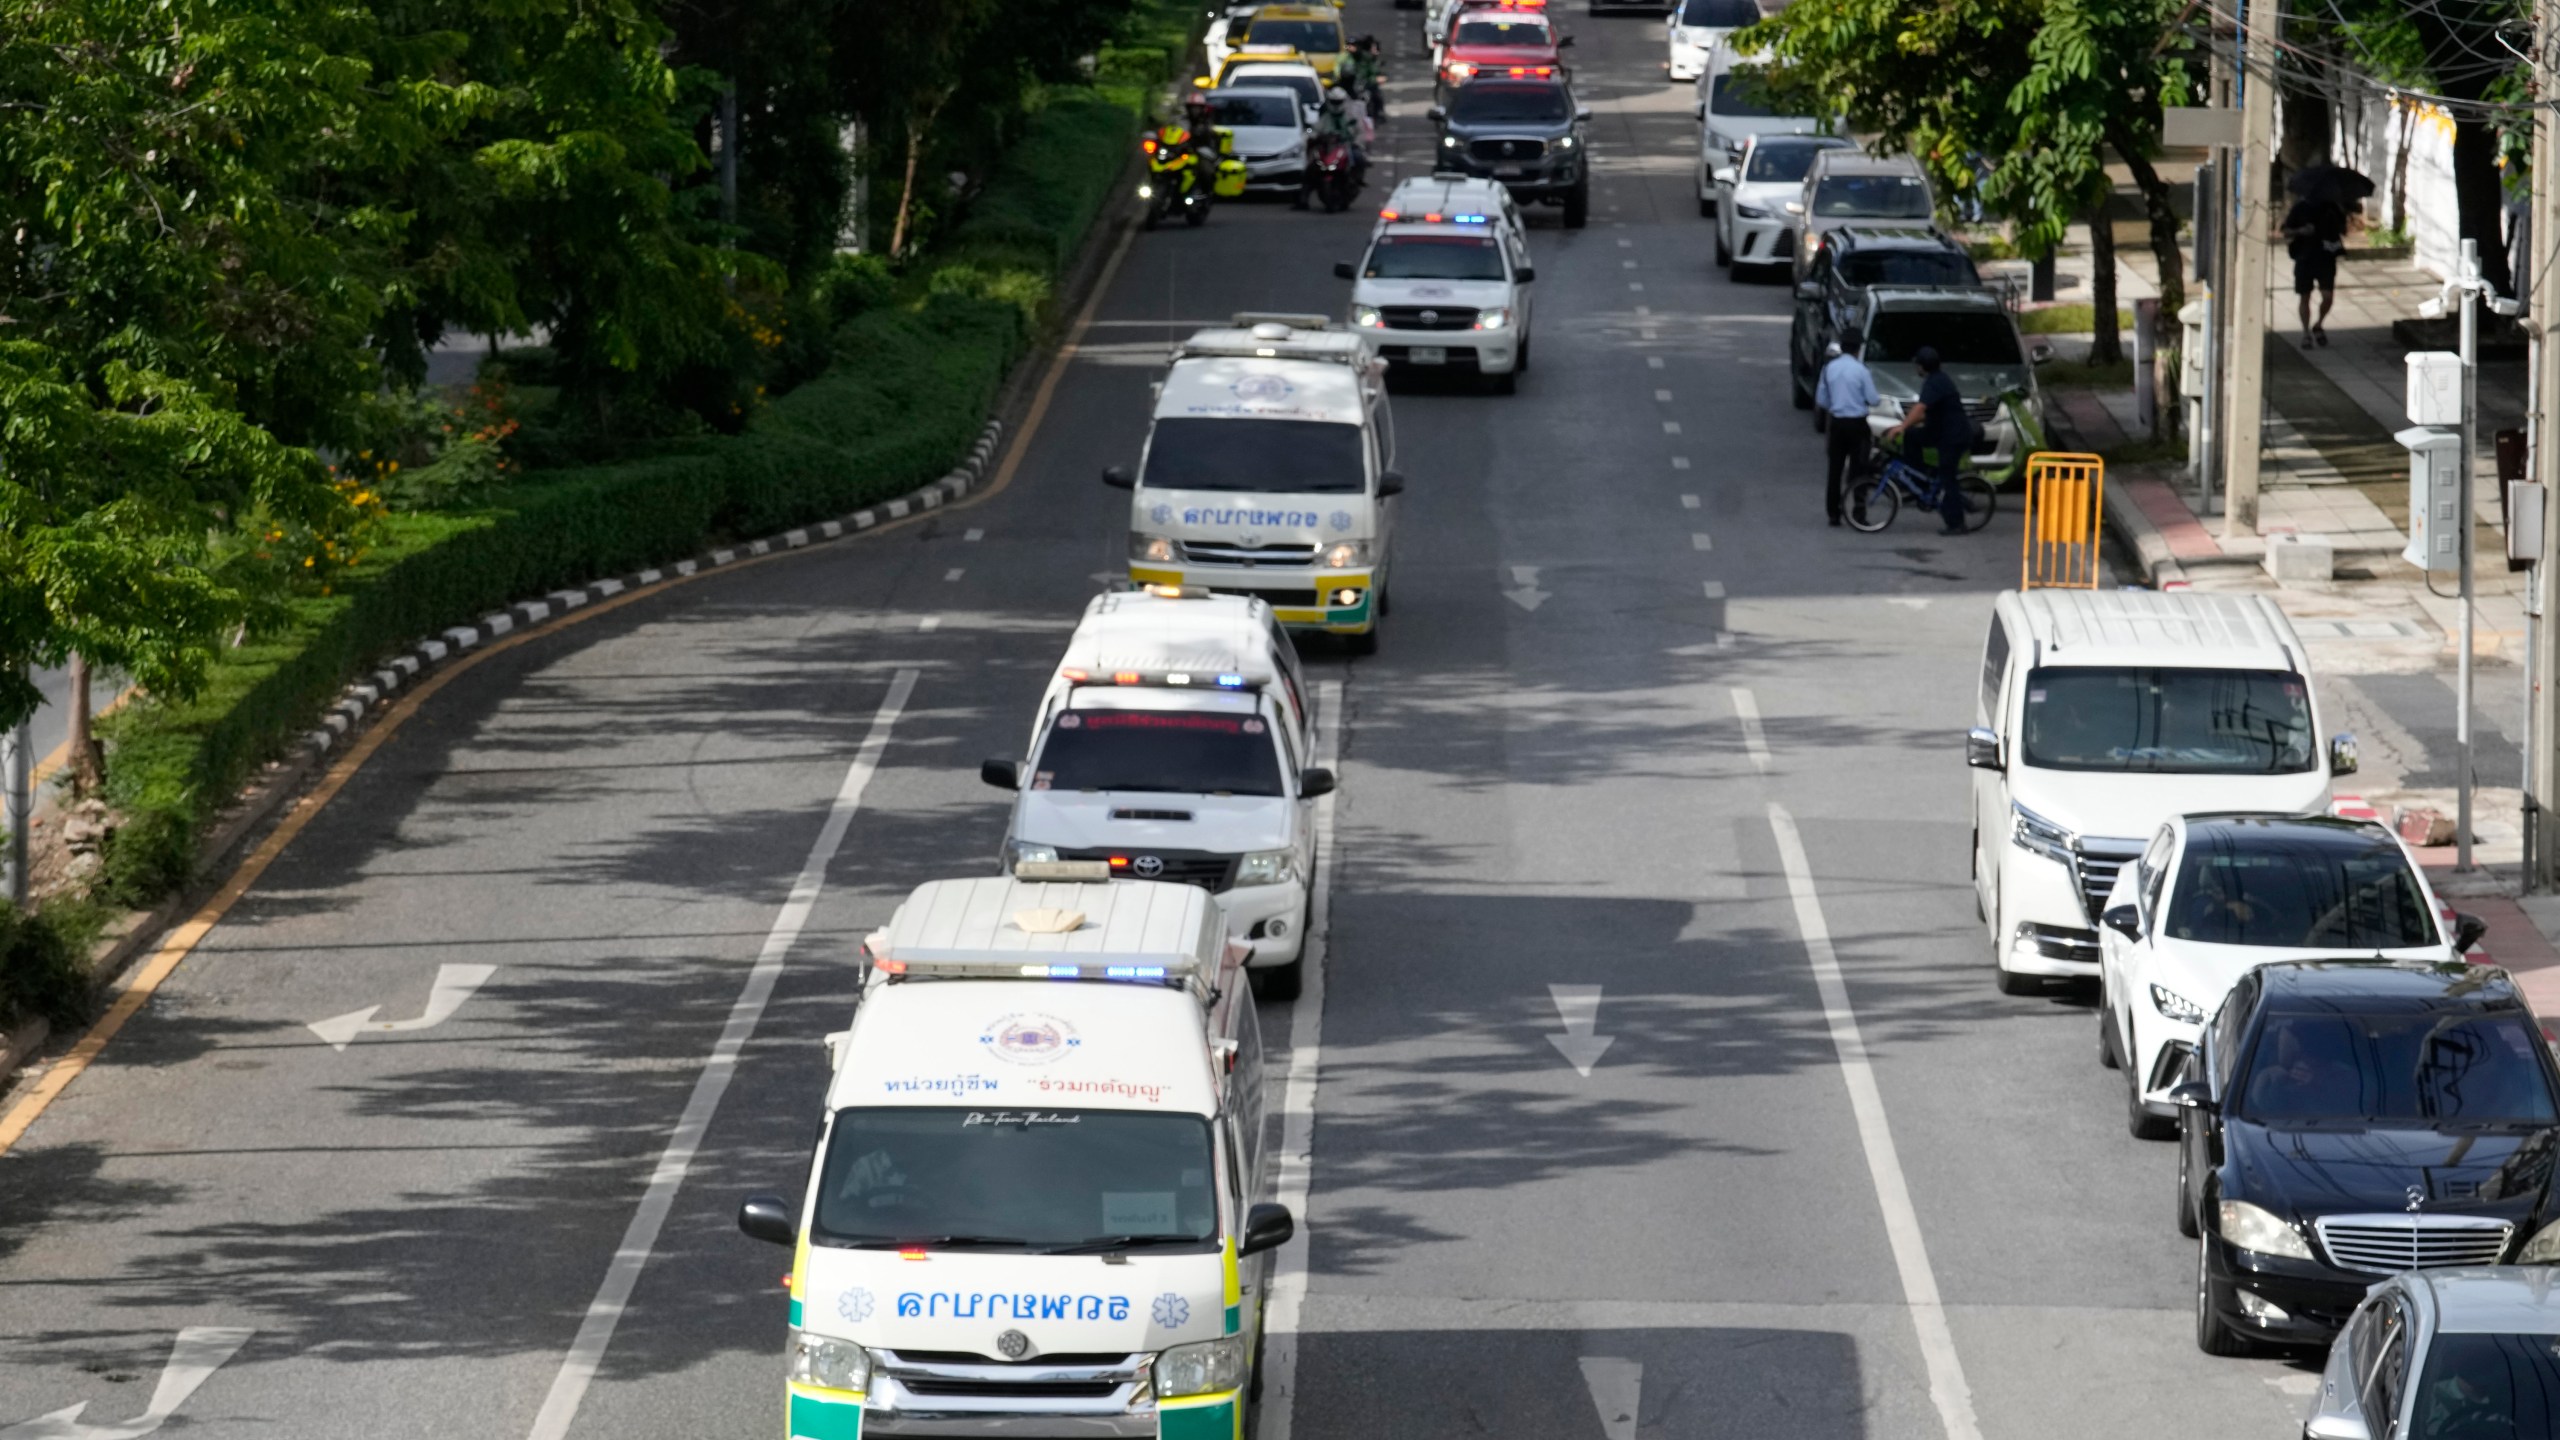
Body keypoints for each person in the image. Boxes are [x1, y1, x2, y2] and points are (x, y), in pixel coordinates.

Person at [1882, 345, 1973, 534]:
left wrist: (1902, 426)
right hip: (1941, 432)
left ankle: (1957, 523)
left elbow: (1921, 408)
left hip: (1953, 437)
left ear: (1922, 366)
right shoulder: (1936, 379)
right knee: (1913, 436)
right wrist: (1906, 424)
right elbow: (1927, 412)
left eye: (1917, 365)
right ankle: (1920, 478)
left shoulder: (1936, 382)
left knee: (1948, 479)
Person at [1812, 327, 1880, 527]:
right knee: (1860, 469)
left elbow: (1821, 399)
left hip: (1837, 423)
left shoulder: (1829, 369)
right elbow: (1873, 399)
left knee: (1835, 469)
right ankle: (1859, 513)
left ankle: (1834, 513)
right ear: (1858, 349)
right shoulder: (1861, 370)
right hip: (1858, 424)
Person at [2282, 193, 2346, 348]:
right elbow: (2286, 231)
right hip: (2304, 257)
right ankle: (2305, 333)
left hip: (2325, 258)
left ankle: (2318, 324)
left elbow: (2342, 229)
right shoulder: (2300, 207)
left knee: (2328, 297)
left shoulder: (2331, 207)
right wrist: (2301, 231)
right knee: (2304, 296)